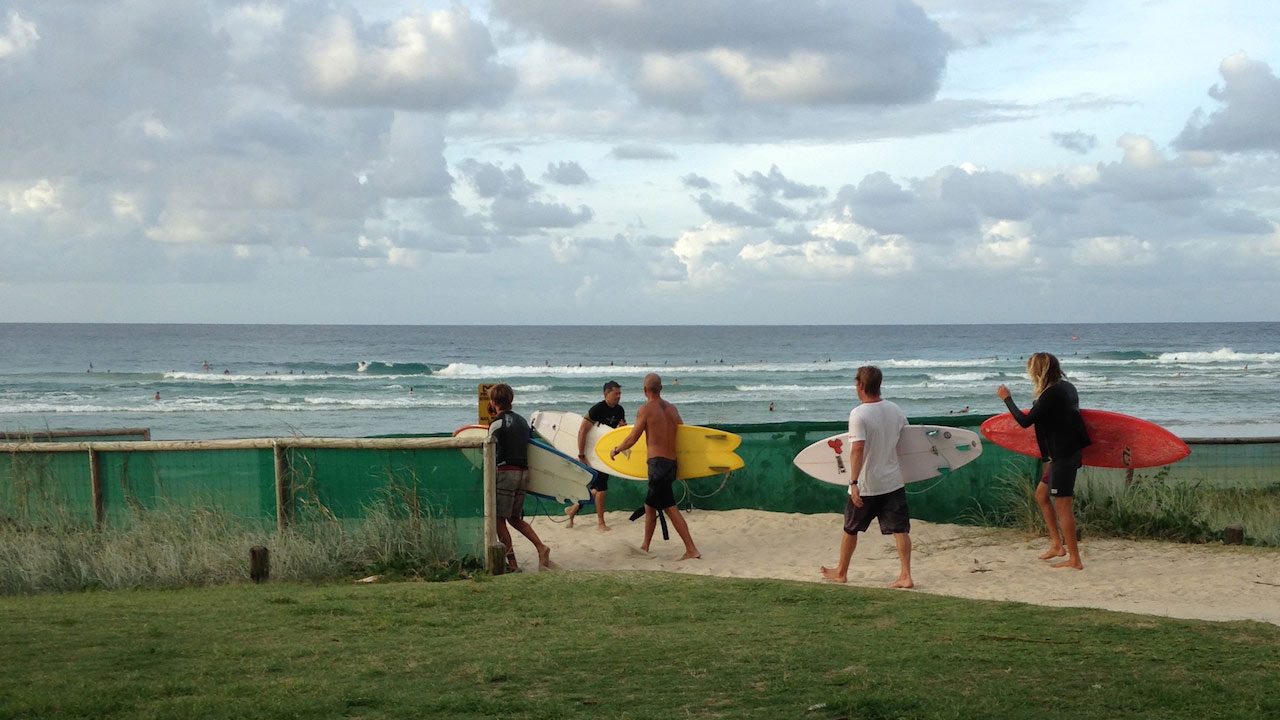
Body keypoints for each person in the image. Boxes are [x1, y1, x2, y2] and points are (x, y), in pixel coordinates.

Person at [820, 366, 914, 588]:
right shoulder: (895, 409)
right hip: (893, 480)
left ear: (860, 385)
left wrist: (853, 483)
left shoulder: (858, 414)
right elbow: (908, 441)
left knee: (850, 528)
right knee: (900, 529)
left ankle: (841, 572)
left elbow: (857, 450)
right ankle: (906, 575)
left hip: (867, 484)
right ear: (878, 385)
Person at [996, 352, 1091, 570]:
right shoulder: (1066, 387)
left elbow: (1025, 421)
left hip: (1064, 456)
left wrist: (1006, 398)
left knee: (1063, 505)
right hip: (1061, 454)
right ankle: (1057, 545)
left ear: (1039, 370)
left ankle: (1075, 559)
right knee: (1041, 495)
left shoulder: (1052, 394)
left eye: (1031, 368)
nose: (1029, 373)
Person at [610, 373, 701, 560]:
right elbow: (685, 436)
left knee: (669, 507)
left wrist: (617, 449)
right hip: (671, 464)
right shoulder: (673, 409)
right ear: (661, 389)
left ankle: (691, 549)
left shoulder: (645, 409)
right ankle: (645, 545)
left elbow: (633, 437)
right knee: (650, 506)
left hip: (657, 464)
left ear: (645, 390)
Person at [486, 383, 552, 572]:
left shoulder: (496, 423)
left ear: (492, 402)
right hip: (524, 473)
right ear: (511, 400)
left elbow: (490, 451)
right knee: (514, 518)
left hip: (506, 473)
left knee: (499, 520)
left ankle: (512, 564)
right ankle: (541, 547)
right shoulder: (522, 421)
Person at [565, 381, 624, 531]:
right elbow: (582, 431)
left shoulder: (620, 410)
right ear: (606, 394)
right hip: (593, 453)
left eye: (620, 393)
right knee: (601, 488)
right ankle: (601, 523)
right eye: (616, 393)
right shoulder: (597, 409)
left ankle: (574, 508)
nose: (619, 396)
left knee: (597, 488)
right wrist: (581, 454)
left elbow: (618, 431)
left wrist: (622, 429)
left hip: (607, 453)